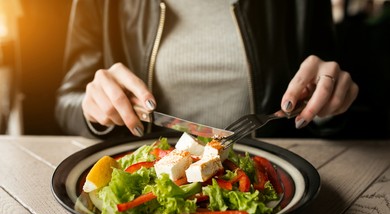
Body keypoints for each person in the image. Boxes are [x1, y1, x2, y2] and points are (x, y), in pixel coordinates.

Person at [55, 0, 358, 139]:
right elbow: (67, 101)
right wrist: (92, 106)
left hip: (275, 193)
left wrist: (329, 105)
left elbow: (337, 94)